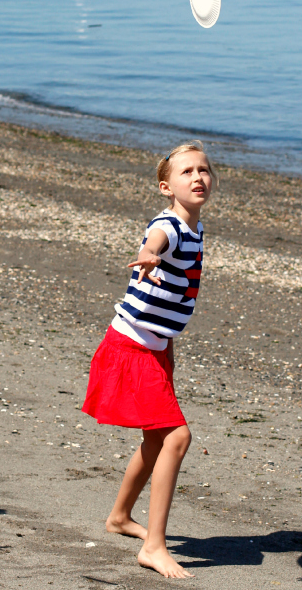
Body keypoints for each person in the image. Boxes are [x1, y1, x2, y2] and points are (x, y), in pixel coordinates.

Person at [82, 141, 216, 579]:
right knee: (177, 438)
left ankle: (120, 517)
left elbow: (168, 302)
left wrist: (168, 353)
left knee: (158, 440)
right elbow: (157, 238)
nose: (198, 178)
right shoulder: (170, 225)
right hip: (129, 350)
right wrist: (150, 253)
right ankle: (154, 546)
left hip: (154, 349)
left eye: (204, 170)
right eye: (186, 172)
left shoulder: (196, 229)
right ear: (166, 186)